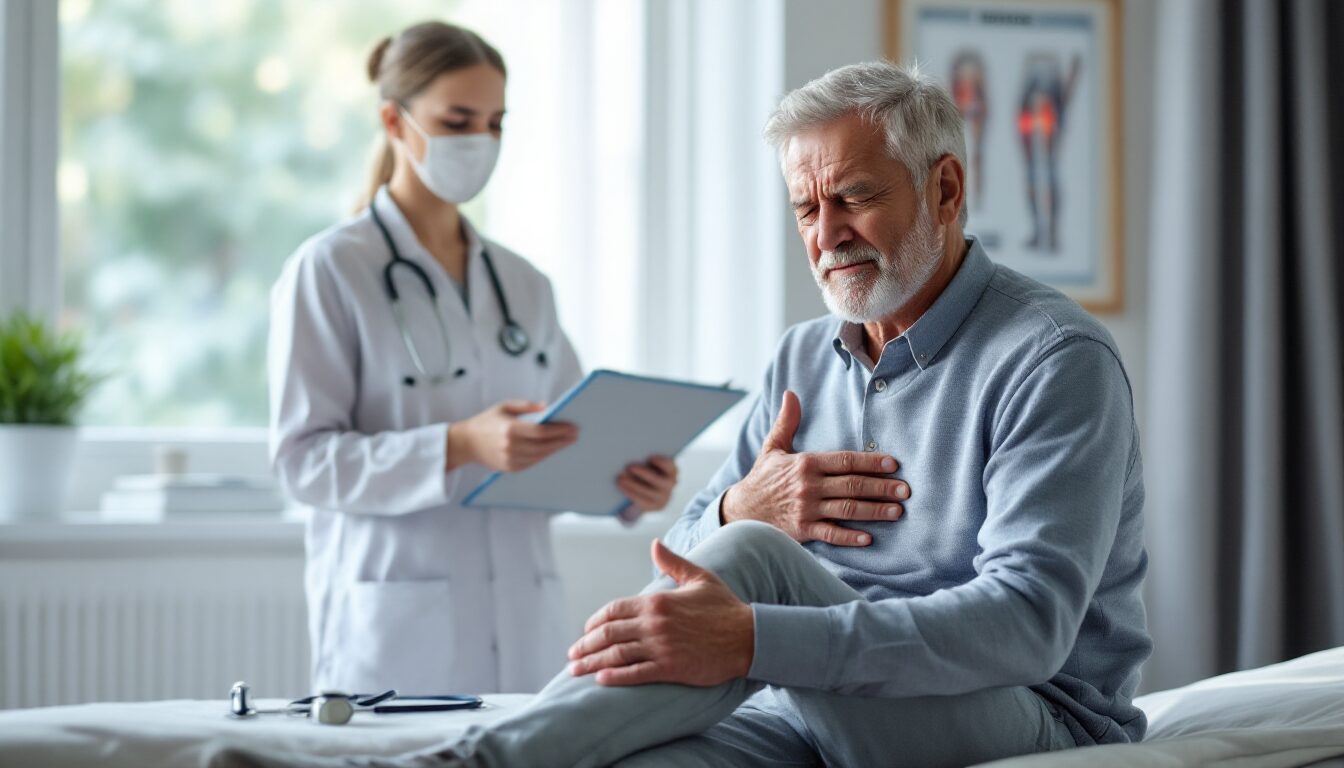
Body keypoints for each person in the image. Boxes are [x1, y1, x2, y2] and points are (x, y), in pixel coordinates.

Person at [220, 59, 1149, 768]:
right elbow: (697, 551)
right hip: (818, 696)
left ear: (944, 190)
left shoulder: (1051, 358)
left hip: (1026, 712)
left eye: (856, 198)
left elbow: (1026, 625)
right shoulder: (802, 356)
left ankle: (474, 761)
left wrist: (754, 633)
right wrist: (748, 507)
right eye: (805, 208)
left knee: (756, 564)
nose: (826, 237)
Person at [266, 21, 678, 698]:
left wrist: (627, 482)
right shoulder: (332, 269)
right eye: (459, 120)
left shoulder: (523, 283)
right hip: (394, 626)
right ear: (394, 121)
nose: (480, 142)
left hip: (523, 619)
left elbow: (573, 429)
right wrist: (457, 445)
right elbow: (302, 463)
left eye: (495, 123)